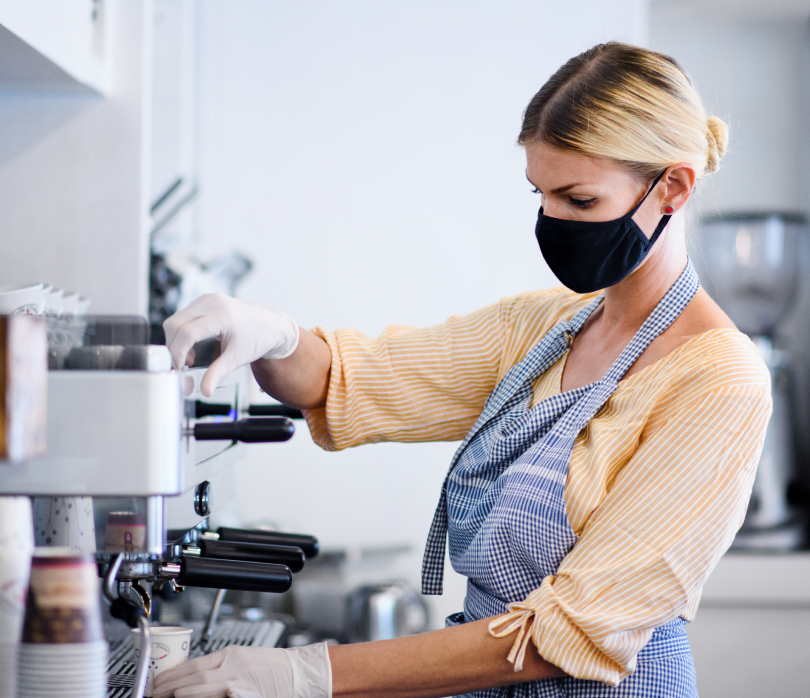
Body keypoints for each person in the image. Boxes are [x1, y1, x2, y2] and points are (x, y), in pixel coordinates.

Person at [154, 42, 771, 698]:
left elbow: (574, 630)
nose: (553, 221)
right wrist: (274, 337)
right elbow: (347, 380)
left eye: (579, 200)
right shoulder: (544, 328)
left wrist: (314, 673)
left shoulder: (719, 380)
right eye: (541, 195)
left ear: (673, 186)